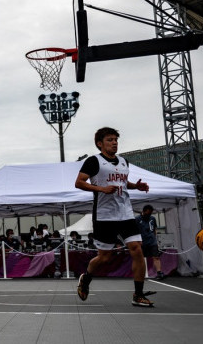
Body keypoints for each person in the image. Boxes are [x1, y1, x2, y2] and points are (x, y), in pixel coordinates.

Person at [75, 127, 154, 308]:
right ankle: (86, 278)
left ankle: (138, 294)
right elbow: (79, 182)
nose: (114, 142)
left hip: (125, 213)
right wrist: (101, 189)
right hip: (104, 216)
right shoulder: (94, 161)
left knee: (137, 249)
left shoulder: (124, 161)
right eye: (110, 140)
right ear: (100, 144)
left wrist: (136, 187)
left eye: (116, 140)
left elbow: (122, 183)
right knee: (105, 258)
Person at [137, 205, 166, 280]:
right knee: (141, 258)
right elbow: (134, 231)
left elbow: (154, 229)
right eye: (148, 213)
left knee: (156, 257)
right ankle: (141, 273)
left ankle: (159, 273)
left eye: (150, 213)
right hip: (142, 241)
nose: (149, 214)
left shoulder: (153, 218)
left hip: (152, 241)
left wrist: (155, 238)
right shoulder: (137, 219)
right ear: (143, 211)